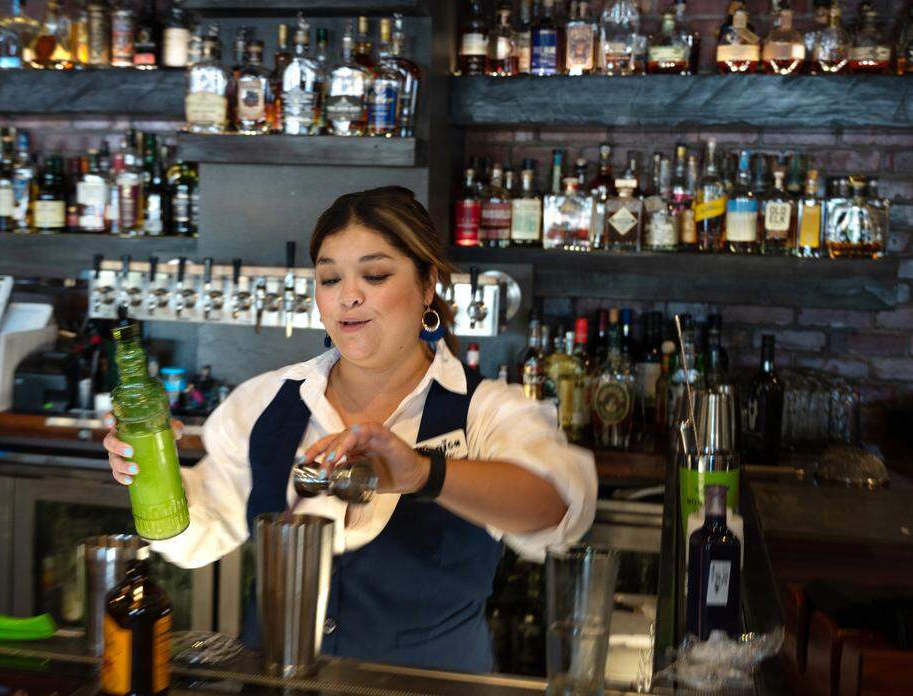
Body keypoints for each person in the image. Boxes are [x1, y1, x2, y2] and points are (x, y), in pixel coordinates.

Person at [102, 186, 596, 673]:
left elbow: (553, 506)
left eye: (375, 275)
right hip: (279, 682)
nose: (348, 297)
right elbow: (194, 538)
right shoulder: (266, 401)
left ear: (427, 285)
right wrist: (149, 470)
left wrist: (425, 474)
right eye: (330, 279)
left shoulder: (485, 410)